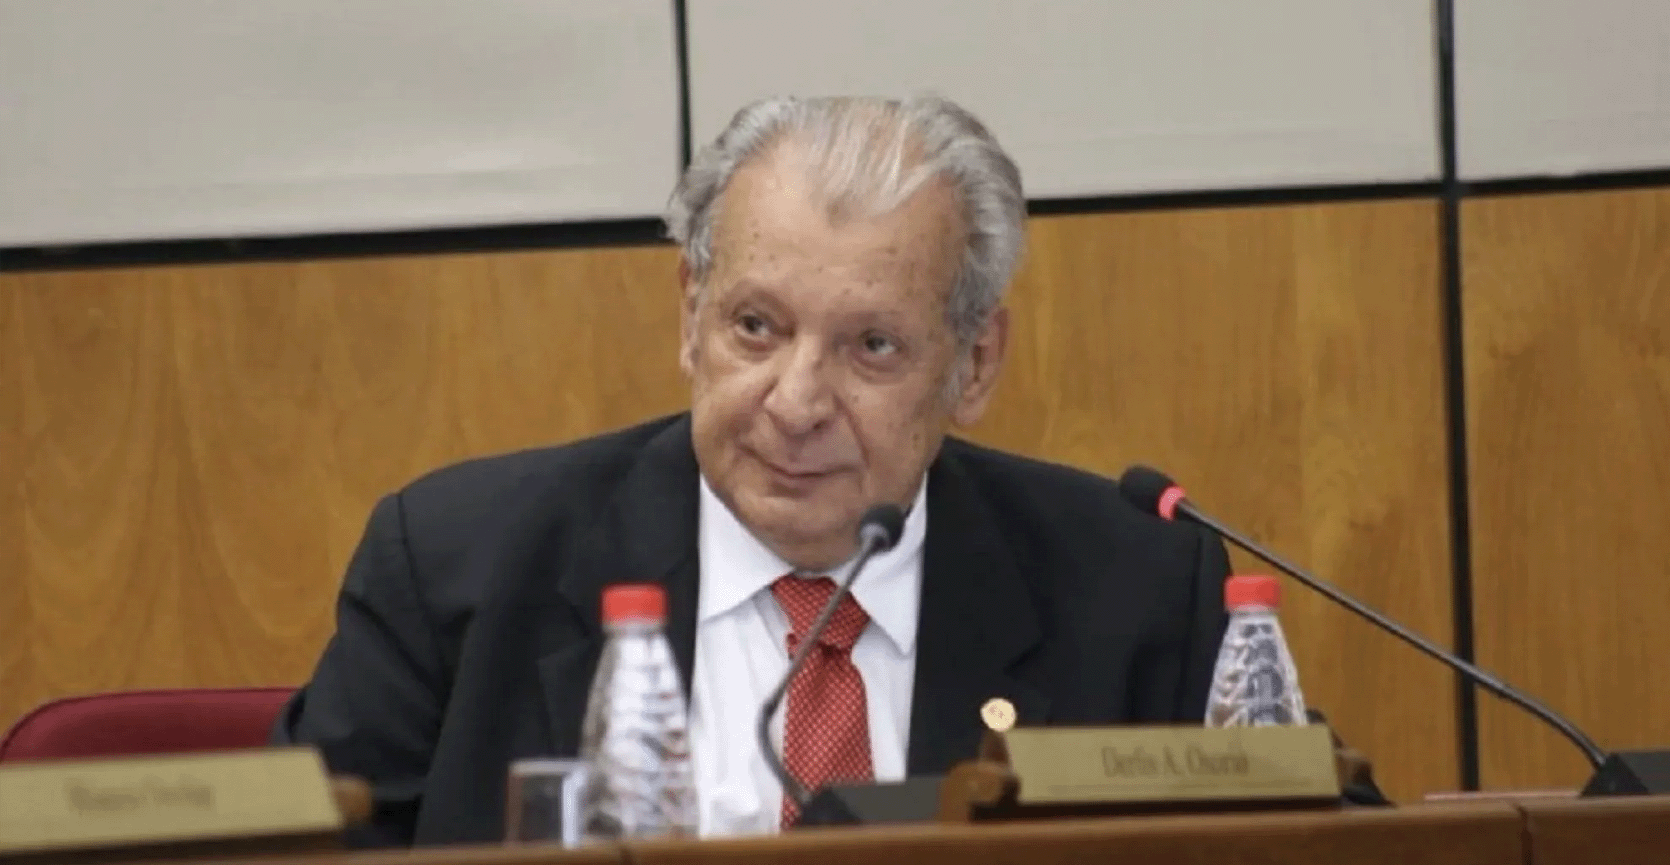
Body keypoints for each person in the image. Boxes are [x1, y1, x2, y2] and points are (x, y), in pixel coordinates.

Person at [274, 94, 1264, 846]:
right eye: (756, 326)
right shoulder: (461, 567)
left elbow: (1305, 838)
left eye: (871, 346)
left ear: (973, 364)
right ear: (689, 315)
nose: (795, 402)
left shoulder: (1136, 592)